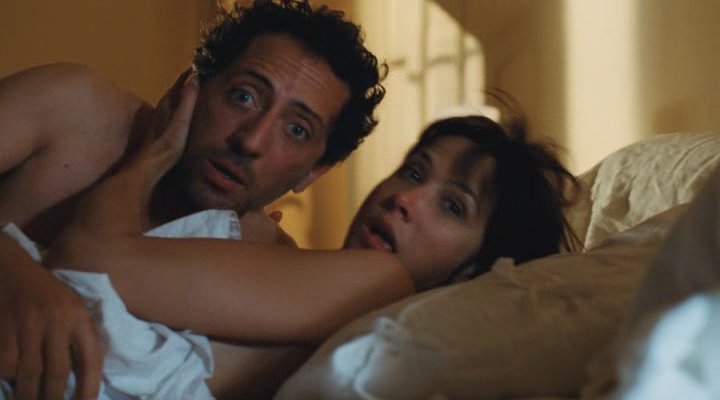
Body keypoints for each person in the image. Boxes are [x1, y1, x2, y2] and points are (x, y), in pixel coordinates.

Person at [34, 83, 580, 397]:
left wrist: (150, 158)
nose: (404, 198)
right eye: (413, 171)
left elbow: (85, 259)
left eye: (453, 205)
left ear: (474, 271)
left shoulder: (382, 282)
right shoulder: (285, 262)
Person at [0, 0, 386, 398]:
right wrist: (11, 269)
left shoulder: (267, 269)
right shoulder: (73, 109)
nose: (251, 140)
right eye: (244, 96)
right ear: (192, 86)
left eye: (297, 130)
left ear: (312, 173)